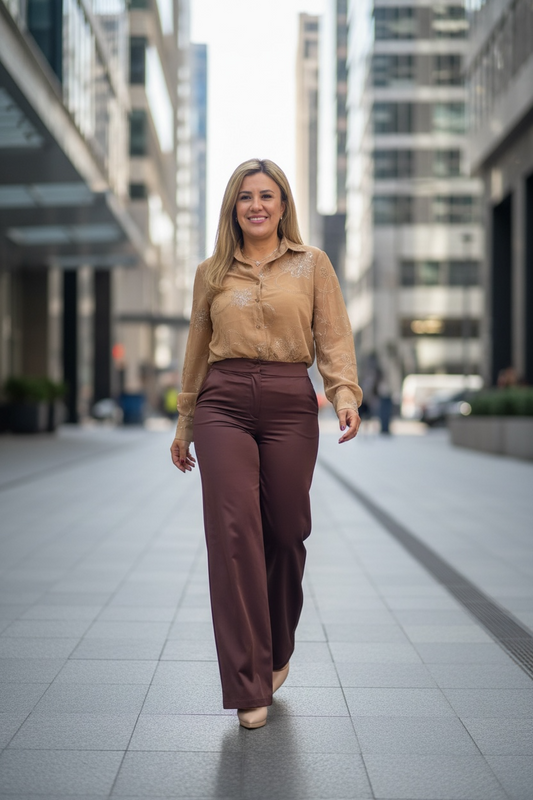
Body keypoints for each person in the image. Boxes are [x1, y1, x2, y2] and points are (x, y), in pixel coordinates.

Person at [170, 158, 362, 729]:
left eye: (267, 195)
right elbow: (196, 351)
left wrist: (344, 392)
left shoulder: (312, 265)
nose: (256, 205)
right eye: (246, 196)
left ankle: (278, 646)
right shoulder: (212, 272)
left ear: (283, 206)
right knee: (233, 534)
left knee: (285, 532)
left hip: (287, 401)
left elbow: (333, 334)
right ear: (233, 207)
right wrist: (185, 422)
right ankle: (248, 682)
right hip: (222, 402)